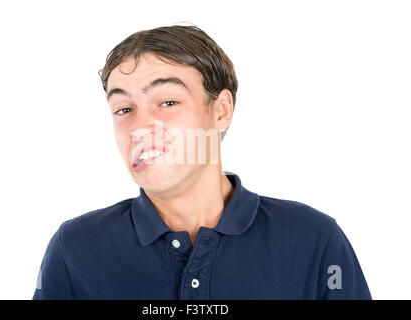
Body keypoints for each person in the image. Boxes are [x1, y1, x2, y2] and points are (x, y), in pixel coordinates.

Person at [32, 24, 371, 300]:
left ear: (221, 110)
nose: (138, 128)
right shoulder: (75, 249)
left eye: (167, 102)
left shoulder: (313, 240)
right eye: (123, 109)